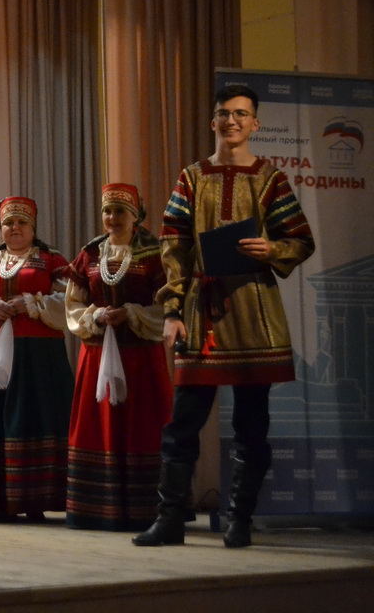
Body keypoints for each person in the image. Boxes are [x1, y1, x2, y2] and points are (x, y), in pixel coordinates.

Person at [134, 83, 314, 549]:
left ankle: (240, 520)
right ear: (213, 121)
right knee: (182, 423)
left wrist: (271, 248)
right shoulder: (191, 177)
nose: (231, 121)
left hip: (255, 312)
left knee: (252, 425)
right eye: (223, 113)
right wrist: (172, 309)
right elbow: (174, 244)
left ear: (255, 123)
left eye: (240, 114)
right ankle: (170, 519)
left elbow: (301, 240)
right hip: (202, 312)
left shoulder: (271, 179)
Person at [0, 196, 72, 521]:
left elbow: (71, 299)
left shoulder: (51, 259)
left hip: (38, 353)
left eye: (22, 223)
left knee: (34, 417)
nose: (15, 228)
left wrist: (33, 303)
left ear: (33, 227)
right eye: (9, 223)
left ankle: (34, 500)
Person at [64, 184, 172, 531]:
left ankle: (146, 509)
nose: (112, 218)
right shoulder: (90, 253)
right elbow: (73, 302)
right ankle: (95, 507)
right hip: (97, 355)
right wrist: (95, 316)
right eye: (107, 211)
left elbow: (168, 304)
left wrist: (132, 313)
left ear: (136, 215)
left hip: (140, 357)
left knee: (141, 425)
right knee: (98, 425)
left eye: (120, 211)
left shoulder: (154, 253)